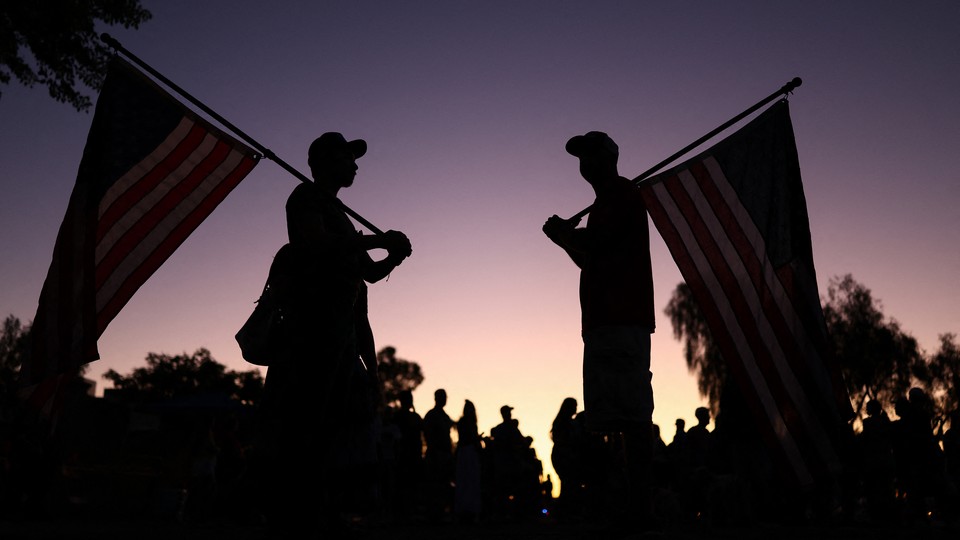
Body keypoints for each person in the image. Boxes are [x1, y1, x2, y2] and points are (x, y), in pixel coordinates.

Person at [255, 132, 413, 538]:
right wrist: (380, 239)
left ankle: (319, 510)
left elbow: (369, 273)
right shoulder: (305, 198)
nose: (355, 165)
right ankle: (291, 513)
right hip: (311, 334)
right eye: (348, 157)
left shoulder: (339, 211)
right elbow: (317, 245)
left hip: (342, 339)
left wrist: (392, 253)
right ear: (324, 160)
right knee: (304, 426)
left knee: (334, 433)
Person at [542, 131, 657, 529]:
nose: (584, 163)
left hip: (620, 319)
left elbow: (597, 242)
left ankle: (640, 507)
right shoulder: (605, 203)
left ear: (609, 158)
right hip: (606, 321)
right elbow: (590, 258)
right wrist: (565, 240)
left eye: (591, 154)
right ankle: (625, 504)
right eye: (581, 157)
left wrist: (565, 235)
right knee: (613, 417)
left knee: (632, 418)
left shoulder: (620, 195)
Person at [422, 388, 455, 520]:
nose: (445, 399)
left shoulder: (444, 416)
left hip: (444, 454)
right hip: (436, 454)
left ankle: (440, 512)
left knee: (443, 484)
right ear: (437, 398)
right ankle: (434, 513)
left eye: (445, 397)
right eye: (443, 397)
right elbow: (428, 435)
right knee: (435, 485)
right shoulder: (432, 415)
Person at [454, 399, 482, 523]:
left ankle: (467, 510)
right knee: (468, 481)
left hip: (464, 452)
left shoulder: (462, 422)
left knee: (466, 482)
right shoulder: (468, 423)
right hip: (468, 452)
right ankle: (467, 510)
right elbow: (470, 438)